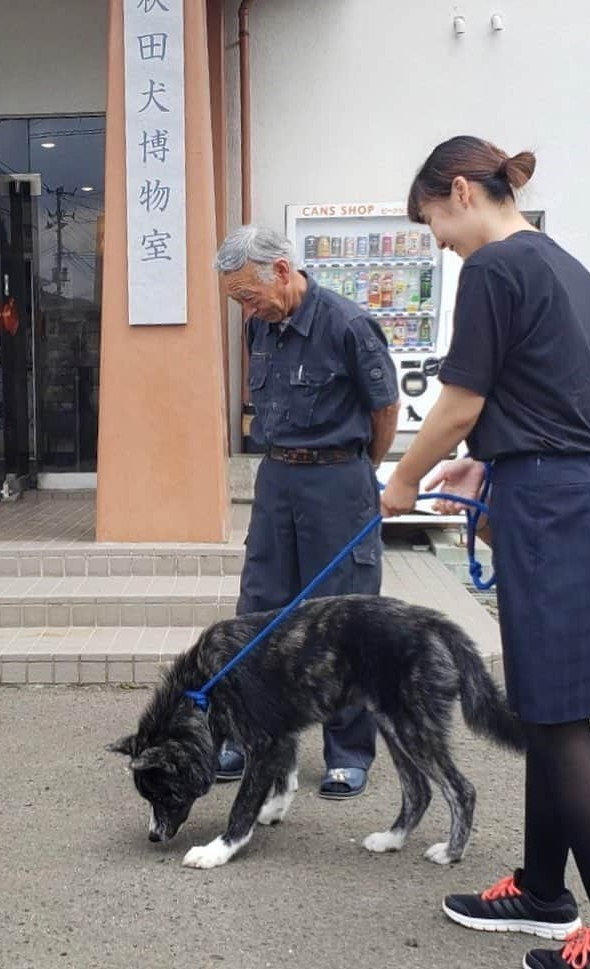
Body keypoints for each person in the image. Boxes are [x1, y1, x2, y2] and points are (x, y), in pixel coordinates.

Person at [382, 136, 590, 969]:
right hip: (569, 494)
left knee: (562, 726)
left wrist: (403, 482)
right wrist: (491, 457)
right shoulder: (563, 262)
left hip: (549, 511)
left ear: (460, 190)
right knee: (543, 708)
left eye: (434, 225)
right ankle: (540, 890)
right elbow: (542, 392)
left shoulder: (494, 268)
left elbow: (459, 401)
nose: (441, 244)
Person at [213, 225, 399, 795]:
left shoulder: (347, 324)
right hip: (277, 480)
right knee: (259, 609)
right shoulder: (257, 329)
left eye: (249, 293)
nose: (246, 306)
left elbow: (384, 409)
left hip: (338, 479)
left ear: (283, 272)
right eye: (237, 298)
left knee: (341, 616)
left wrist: (358, 471)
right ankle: (250, 736)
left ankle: (348, 751)